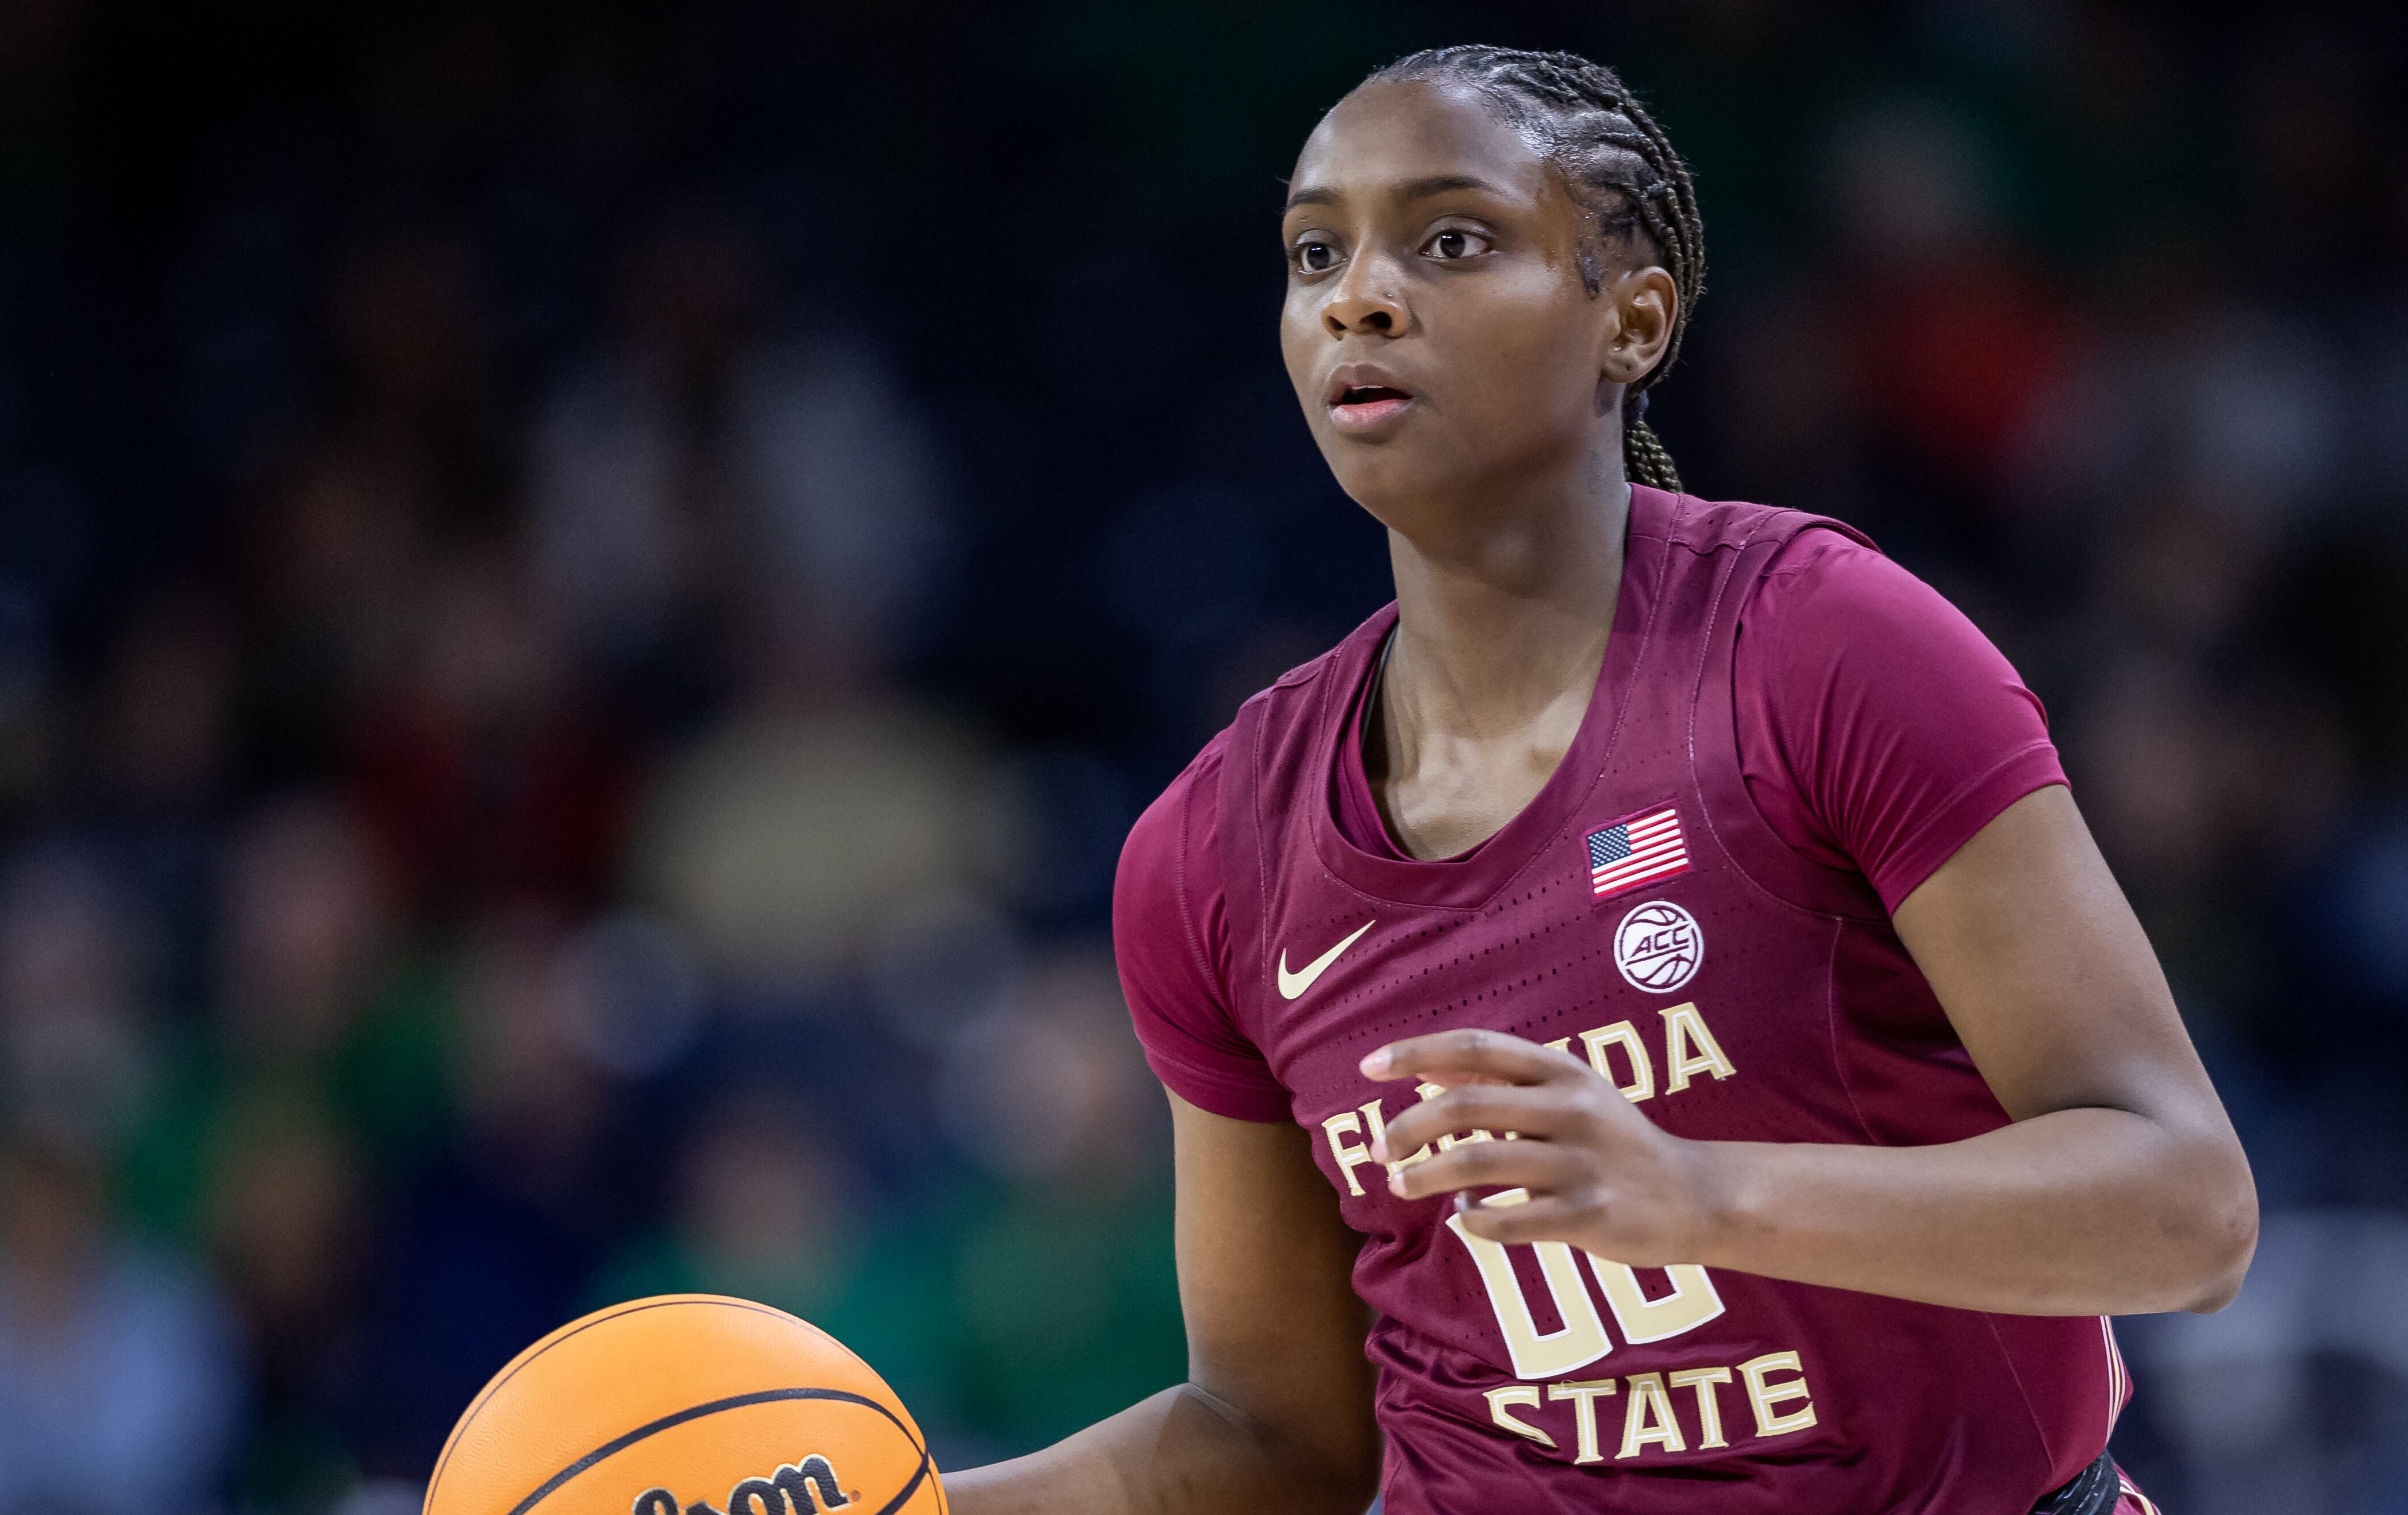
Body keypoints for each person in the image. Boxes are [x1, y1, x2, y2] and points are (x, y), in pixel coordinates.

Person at [944, 45, 2253, 1515]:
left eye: (1452, 239)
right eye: (1316, 253)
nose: (1358, 296)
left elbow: (2185, 1206)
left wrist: (1698, 1193)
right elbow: (1276, 1436)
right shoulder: (1210, 850)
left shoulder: (1820, 646)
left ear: (1630, 317)